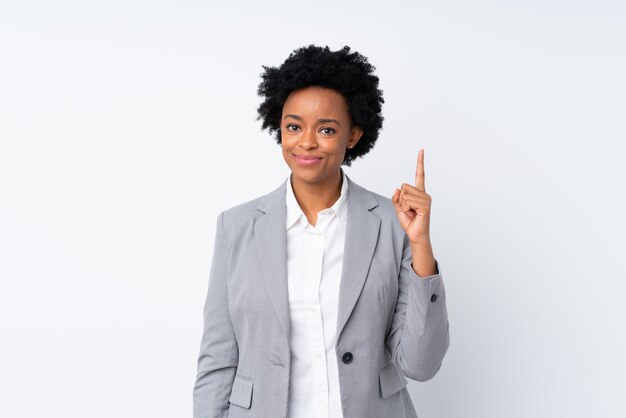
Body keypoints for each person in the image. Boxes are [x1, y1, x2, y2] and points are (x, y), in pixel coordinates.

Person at [193, 44, 450, 418]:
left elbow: (421, 365)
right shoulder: (237, 227)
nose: (307, 142)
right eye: (294, 126)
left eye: (326, 129)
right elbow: (217, 359)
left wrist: (421, 245)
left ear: (353, 135)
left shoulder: (393, 225)